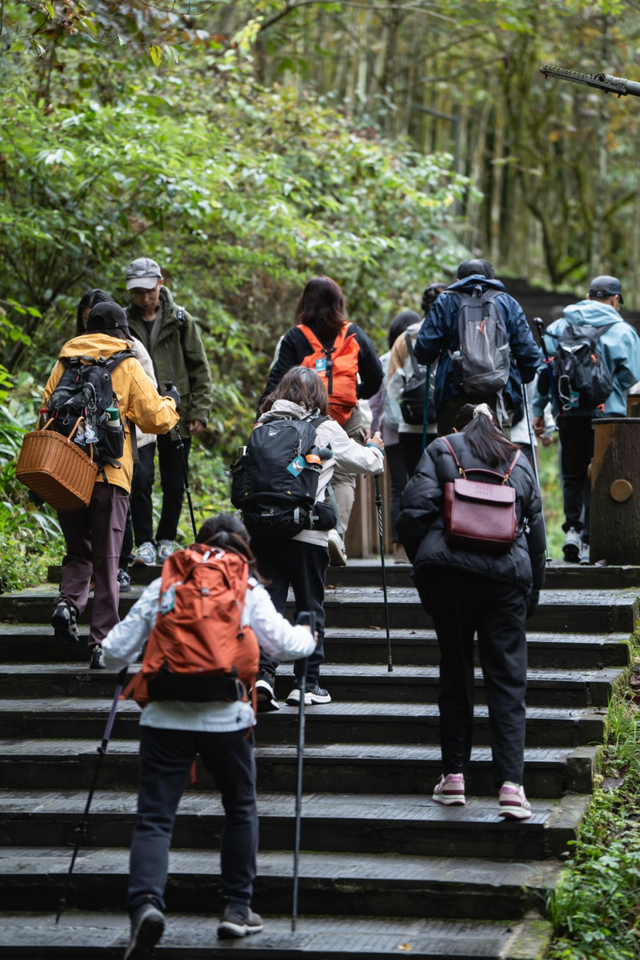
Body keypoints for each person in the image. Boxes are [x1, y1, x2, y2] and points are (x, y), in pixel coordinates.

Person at [101, 513, 316, 954]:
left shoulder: (169, 577)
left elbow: (113, 653)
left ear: (197, 543)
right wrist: (309, 634)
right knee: (239, 807)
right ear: (244, 545)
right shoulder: (245, 583)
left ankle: (145, 904)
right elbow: (283, 646)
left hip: (164, 714)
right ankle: (237, 910)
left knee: (155, 818)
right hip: (227, 715)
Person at [397, 403, 545, 820]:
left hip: (450, 577)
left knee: (455, 669)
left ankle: (454, 778)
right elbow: (537, 538)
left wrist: (423, 562)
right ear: (497, 428)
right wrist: (532, 593)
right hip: (506, 582)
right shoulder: (518, 460)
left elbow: (412, 514)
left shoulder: (442, 449)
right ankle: (512, 787)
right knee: (508, 681)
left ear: (459, 426)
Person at [44, 302, 179, 668]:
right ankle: (101, 641)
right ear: (121, 331)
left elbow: (45, 411)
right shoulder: (127, 364)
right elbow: (155, 420)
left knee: (77, 549)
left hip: (66, 471)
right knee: (107, 558)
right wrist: (172, 401)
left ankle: (67, 603)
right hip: (109, 474)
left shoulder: (65, 363)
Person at [252, 366, 384, 710]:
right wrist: (376, 448)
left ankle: (263, 676)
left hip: (265, 531)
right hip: (307, 533)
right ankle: (305, 683)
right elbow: (366, 463)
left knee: (270, 606)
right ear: (319, 396)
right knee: (309, 606)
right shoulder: (325, 428)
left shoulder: (263, 425)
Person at [258, 276, 383, 565]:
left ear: (306, 302)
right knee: (343, 476)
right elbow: (376, 377)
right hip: (348, 416)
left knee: (305, 469)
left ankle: (309, 534)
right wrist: (353, 393)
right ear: (338, 303)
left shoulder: (296, 336)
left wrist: (261, 417)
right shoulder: (353, 333)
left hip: (305, 417)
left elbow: (277, 382)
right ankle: (335, 537)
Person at [533, 275, 640, 564]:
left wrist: (538, 411)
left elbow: (545, 373)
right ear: (615, 300)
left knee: (572, 474)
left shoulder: (559, 326)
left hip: (569, 413)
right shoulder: (623, 331)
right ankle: (595, 540)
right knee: (603, 476)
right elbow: (632, 377)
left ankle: (572, 531)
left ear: (588, 295)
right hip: (608, 416)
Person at [125, 257, 214, 565]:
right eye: (138, 292)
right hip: (139, 413)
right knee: (141, 477)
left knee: (175, 480)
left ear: (160, 283)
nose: (144, 297)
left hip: (177, 411)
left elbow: (199, 367)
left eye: (149, 290)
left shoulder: (180, 319)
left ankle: (166, 538)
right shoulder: (123, 321)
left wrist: (200, 410)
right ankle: (145, 542)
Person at [75, 289, 158, 591]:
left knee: (120, 503)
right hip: (106, 450)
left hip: (111, 444)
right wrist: (170, 407)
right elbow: (155, 408)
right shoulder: (78, 353)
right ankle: (109, 576)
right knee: (112, 506)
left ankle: (98, 577)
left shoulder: (71, 354)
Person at [413, 259, 542, 438]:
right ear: (490, 279)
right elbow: (529, 353)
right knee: (497, 457)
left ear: (458, 279)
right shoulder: (507, 302)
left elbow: (424, 350)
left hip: (454, 394)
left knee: (451, 457)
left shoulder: (445, 301)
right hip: (499, 396)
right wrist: (522, 378)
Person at [369, 310, 422, 564]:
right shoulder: (421, 355)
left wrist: (372, 435)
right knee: (424, 483)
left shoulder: (383, 360)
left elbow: (376, 405)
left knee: (398, 488)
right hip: (421, 430)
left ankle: (400, 547)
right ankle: (423, 542)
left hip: (392, 434)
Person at [387, 284, 447, 479]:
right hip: (444, 427)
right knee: (446, 485)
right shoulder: (453, 336)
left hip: (410, 427)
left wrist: (414, 404)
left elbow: (393, 385)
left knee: (418, 483)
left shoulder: (404, 339)